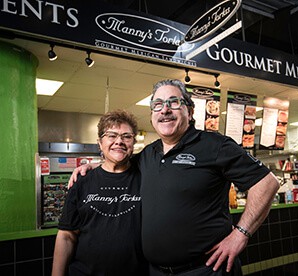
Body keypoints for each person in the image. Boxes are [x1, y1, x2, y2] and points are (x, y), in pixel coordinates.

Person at [69, 79, 279, 275]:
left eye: (173, 102)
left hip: (206, 270)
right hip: (156, 271)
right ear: (152, 115)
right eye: (158, 105)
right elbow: (120, 161)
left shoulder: (215, 145)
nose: (165, 110)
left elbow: (267, 183)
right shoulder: (148, 154)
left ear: (189, 111)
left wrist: (241, 234)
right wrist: (94, 165)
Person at [52, 110, 148, 276]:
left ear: (133, 142)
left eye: (126, 136)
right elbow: (66, 236)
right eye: (111, 135)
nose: (119, 141)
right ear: (99, 142)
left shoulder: (147, 178)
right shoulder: (81, 181)